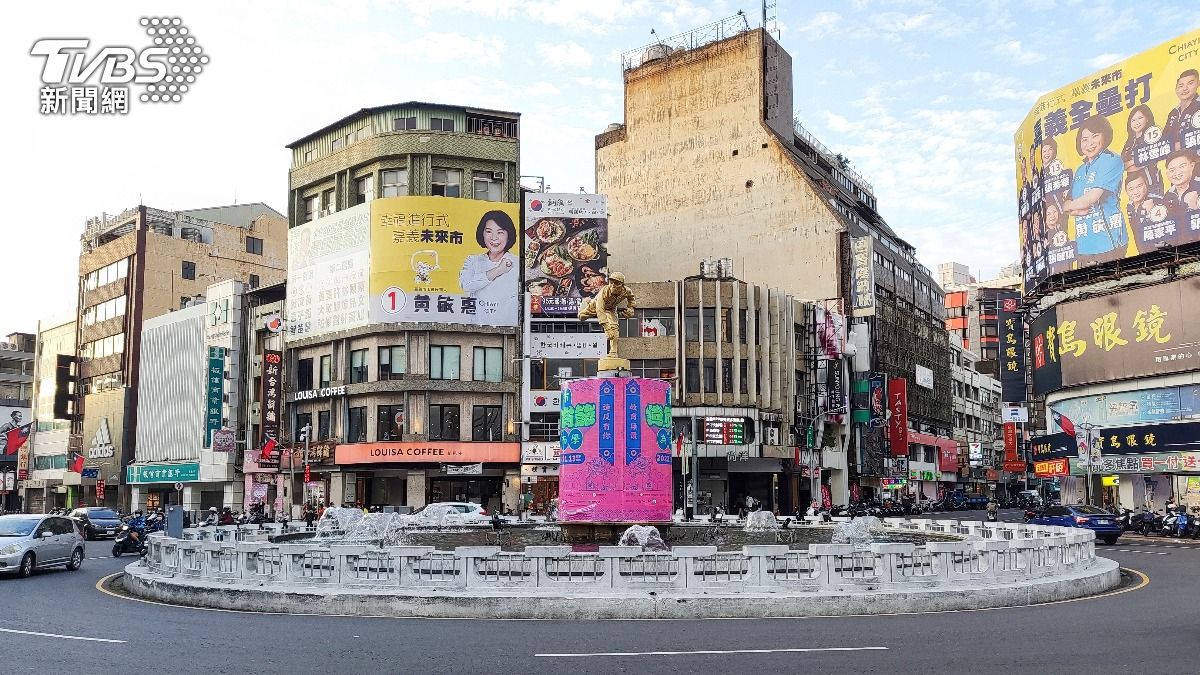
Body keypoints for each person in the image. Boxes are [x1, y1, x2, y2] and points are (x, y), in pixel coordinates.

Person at [1062, 115, 1128, 262]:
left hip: (1109, 242)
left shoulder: (1111, 159)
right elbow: (1065, 205)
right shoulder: (1080, 170)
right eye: (1084, 140)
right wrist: (1076, 209)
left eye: (1095, 136)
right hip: (1084, 244)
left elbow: (1092, 197)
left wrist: (1075, 208)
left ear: (1105, 136)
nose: (1089, 143)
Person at [458, 210, 519, 325]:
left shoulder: (517, 263)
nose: (494, 238)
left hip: (509, 331)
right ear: (482, 234)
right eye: (489, 232)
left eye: (500, 232)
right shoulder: (472, 260)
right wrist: (498, 270)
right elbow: (466, 285)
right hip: (477, 330)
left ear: (509, 235)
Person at [576, 272, 636, 358]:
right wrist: (607, 329)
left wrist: (631, 309)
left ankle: (613, 352)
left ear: (622, 285)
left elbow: (631, 299)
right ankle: (586, 301)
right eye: (611, 282)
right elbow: (600, 311)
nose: (613, 286)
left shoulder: (626, 291)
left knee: (614, 327)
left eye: (617, 283)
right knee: (581, 317)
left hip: (611, 309)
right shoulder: (604, 292)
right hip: (596, 305)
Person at [1121, 104, 1166, 194]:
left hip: (1152, 185)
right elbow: (1122, 166)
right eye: (1133, 120)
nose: (1136, 122)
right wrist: (1136, 161)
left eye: (1140, 118)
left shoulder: (1152, 137)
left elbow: (1146, 161)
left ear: (1147, 119)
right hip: (1134, 188)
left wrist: (1131, 163)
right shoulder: (1129, 143)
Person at [1163, 69, 1200, 152]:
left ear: (1198, 84)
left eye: (1190, 83)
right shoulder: (1173, 113)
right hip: (1175, 161)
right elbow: (1164, 140)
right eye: (1181, 86)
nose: (1185, 88)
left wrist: (1178, 145)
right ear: (1176, 90)